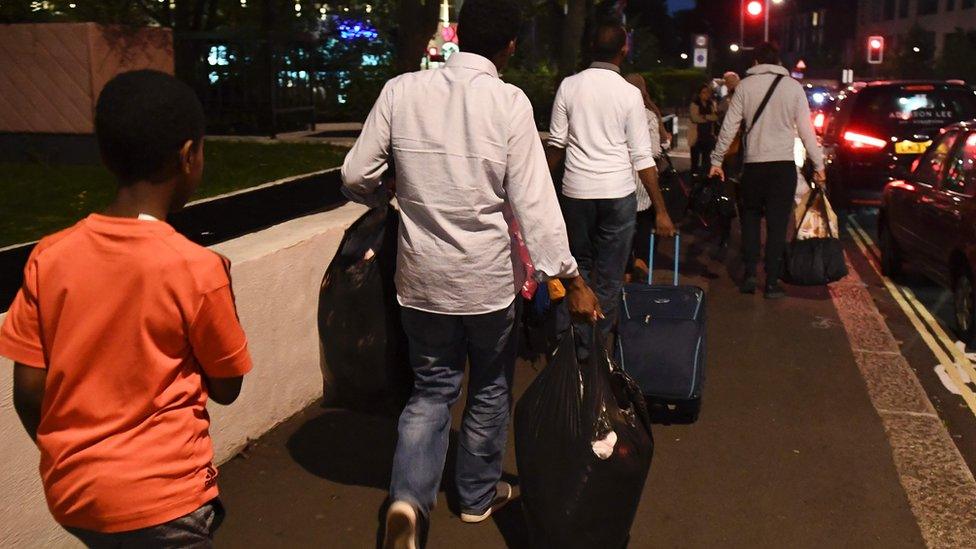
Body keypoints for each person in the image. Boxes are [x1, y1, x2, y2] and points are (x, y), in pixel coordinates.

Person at [340, 1, 602, 547]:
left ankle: (408, 503)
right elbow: (535, 204)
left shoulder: (401, 91)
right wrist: (570, 278)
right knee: (488, 388)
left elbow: (355, 174)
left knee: (431, 390)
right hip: (486, 284)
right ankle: (476, 498)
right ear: (508, 47)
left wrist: (387, 193)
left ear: (456, 35)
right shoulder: (508, 103)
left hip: (420, 282)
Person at [0, 70, 253, 546]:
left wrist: (83, 462)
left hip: (76, 497)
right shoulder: (197, 268)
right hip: (167, 500)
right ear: (188, 157)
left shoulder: (48, 256)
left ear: (105, 155)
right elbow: (227, 386)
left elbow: (28, 392)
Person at [547, 22, 676, 342]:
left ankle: (570, 343)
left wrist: (540, 188)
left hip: (576, 192)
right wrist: (660, 209)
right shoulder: (630, 95)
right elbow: (642, 158)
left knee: (577, 271)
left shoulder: (569, 86)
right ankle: (593, 351)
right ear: (624, 50)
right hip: (618, 194)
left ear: (591, 46)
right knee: (609, 276)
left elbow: (556, 146)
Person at [709, 42, 825, 299]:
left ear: (755, 63)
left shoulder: (746, 87)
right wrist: (819, 165)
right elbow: (807, 131)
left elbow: (729, 127)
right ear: (779, 62)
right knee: (777, 224)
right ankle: (771, 281)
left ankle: (750, 273)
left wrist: (716, 161)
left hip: (753, 166)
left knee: (749, 220)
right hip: (782, 167)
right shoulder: (793, 88)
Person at [623, 73, 665, 279]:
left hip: (620, 178)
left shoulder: (616, 111)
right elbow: (655, 150)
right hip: (644, 179)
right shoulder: (649, 114)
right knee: (645, 221)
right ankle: (641, 260)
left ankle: (626, 269)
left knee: (622, 224)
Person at [688, 83, 719, 176]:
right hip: (697, 136)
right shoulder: (694, 104)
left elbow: (715, 117)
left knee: (706, 160)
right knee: (695, 161)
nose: (706, 94)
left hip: (708, 135)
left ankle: (704, 179)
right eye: (703, 92)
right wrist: (708, 118)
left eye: (707, 92)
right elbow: (695, 118)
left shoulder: (712, 104)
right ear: (699, 94)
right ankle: (694, 180)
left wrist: (704, 116)